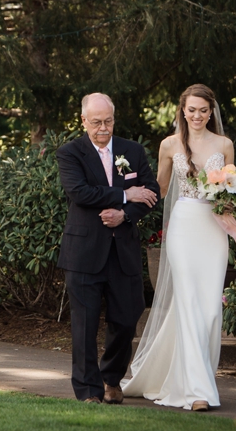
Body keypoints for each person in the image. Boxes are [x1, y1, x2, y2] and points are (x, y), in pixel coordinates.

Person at [122, 83, 236, 411]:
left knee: (211, 310)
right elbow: (158, 188)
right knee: (187, 304)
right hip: (184, 225)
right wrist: (126, 200)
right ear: (182, 110)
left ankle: (190, 378)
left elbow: (233, 187)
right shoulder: (169, 145)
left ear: (211, 111)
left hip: (213, 229)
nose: (197, 115)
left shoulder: (224, 145)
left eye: (203, 110)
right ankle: (198, 392)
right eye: (192, 110)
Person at [56, 93, 160, 404]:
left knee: (127, 318)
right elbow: (80, 192)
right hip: (84, 252)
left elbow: (152, 193)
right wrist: (126, 195)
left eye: (109, 121)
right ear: (83, 120)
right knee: (84, 325)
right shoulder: (70, 153)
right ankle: (89, 391)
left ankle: (111, 378)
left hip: (123, 251)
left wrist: (124, 214)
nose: (103, 128)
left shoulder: (132, 150)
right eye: (97, 122)